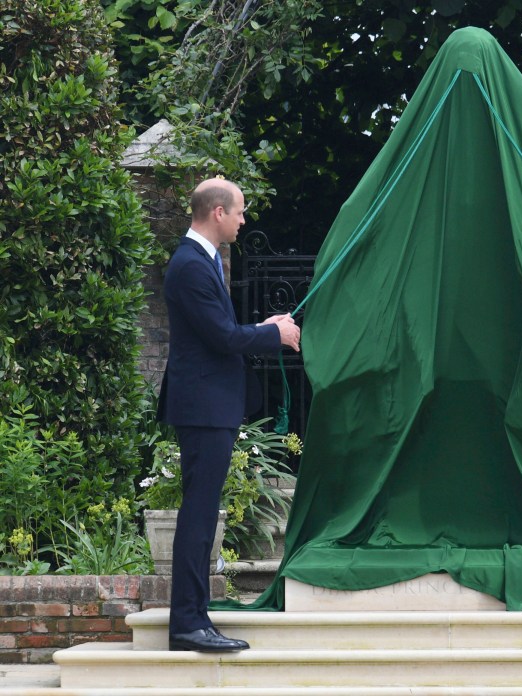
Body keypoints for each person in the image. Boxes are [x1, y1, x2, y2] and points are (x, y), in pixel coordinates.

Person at [158, 178, 301, 652]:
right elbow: (221, 337)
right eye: (239, 212)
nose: (243, 220)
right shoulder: (190, 265)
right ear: (217, 212)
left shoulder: (203, 260)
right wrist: (272, 335)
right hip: (202, 407)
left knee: (202, 514)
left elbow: (217, 332)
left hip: (208, 404)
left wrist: (263, 327)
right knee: (199, 516)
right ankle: (187, 625)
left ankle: (195, 618)